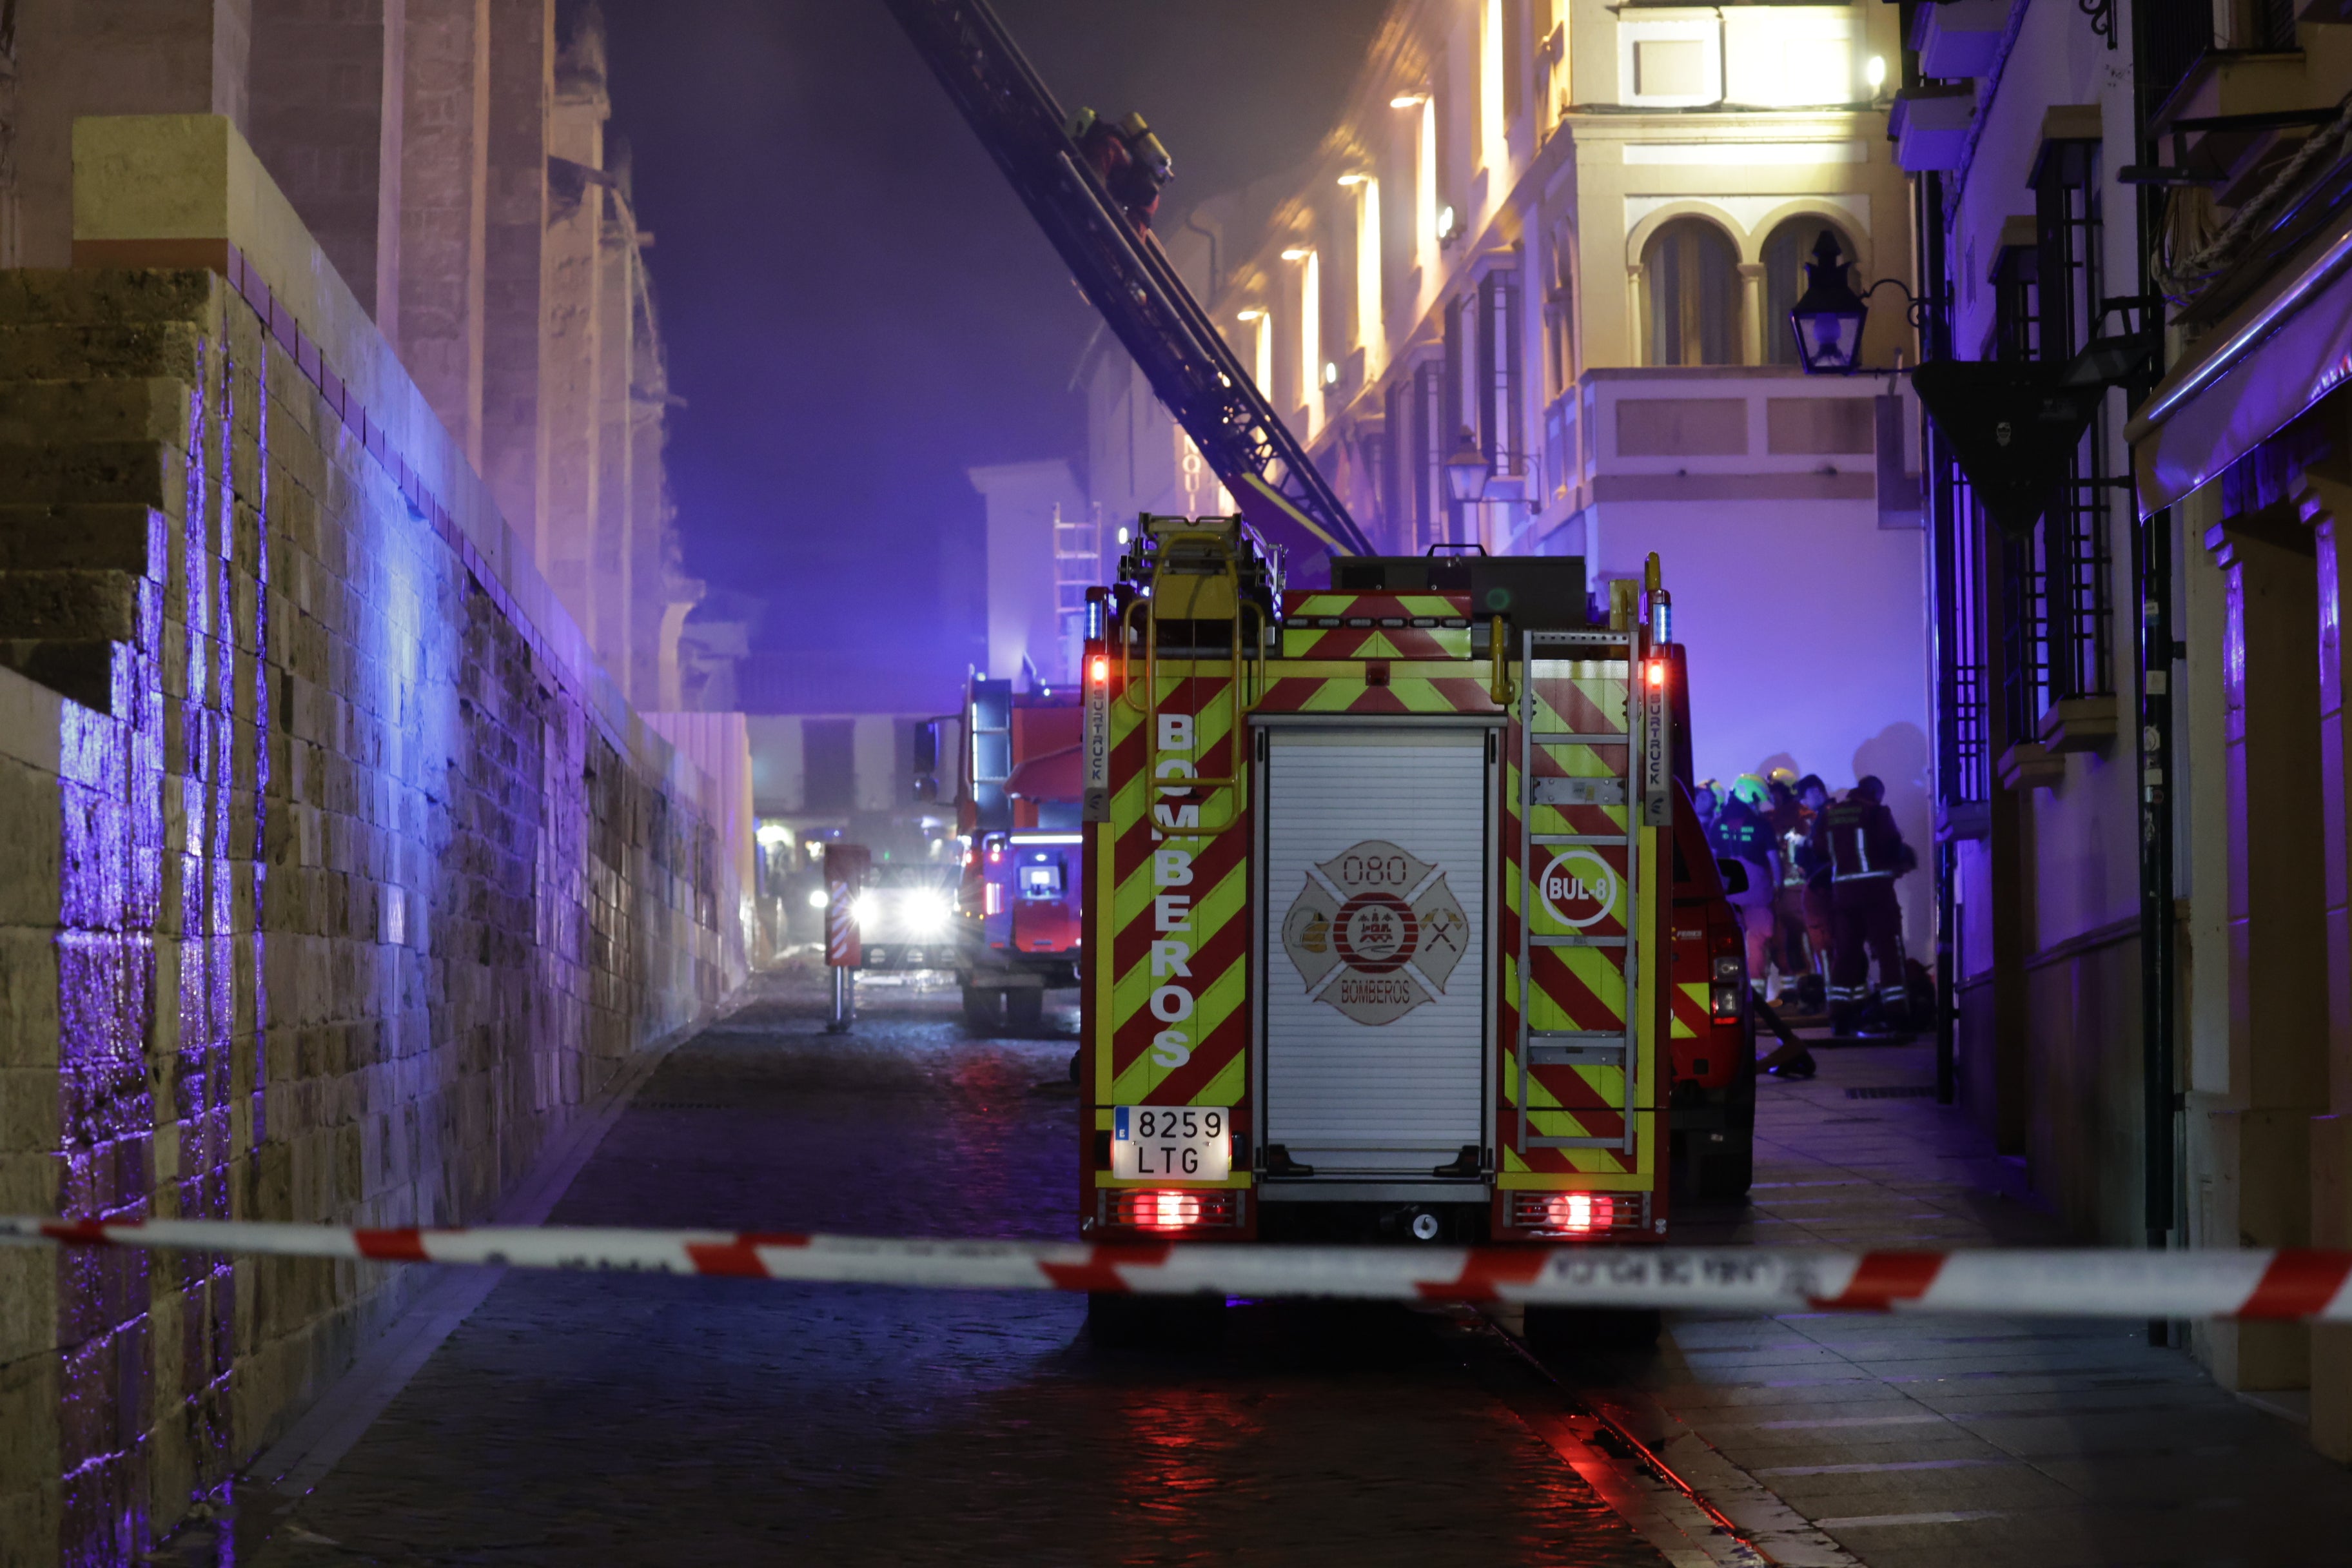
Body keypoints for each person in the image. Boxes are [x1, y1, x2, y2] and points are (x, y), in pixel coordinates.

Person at [1808, 774, 1914, 1035]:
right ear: (1876, 793)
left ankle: (1840, 1017)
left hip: (1843, 896)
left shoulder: (1830, 815)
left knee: (1845, 954)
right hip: (1877, 894)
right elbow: (1892, 847)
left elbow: (1819, 851)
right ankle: (1897, 1015)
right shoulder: (1877, 812)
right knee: (1890, 952)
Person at [1709, 774, 1781, 994]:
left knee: (1726, 944)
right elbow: (1774, 862)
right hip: (1757, 894)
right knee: (1758, 943)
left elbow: (1710, 859)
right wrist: (1778, 886)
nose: (1758, 804)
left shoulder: (1718, 824)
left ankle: (1731, 991)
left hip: (1726, 896)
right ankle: (1757, 993)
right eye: (1757, 799)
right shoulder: (1762, 825)